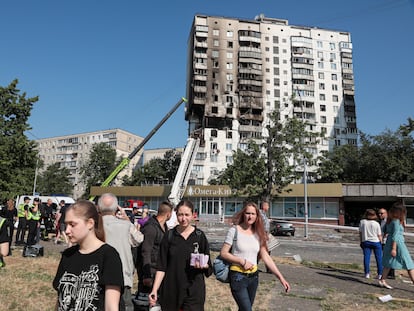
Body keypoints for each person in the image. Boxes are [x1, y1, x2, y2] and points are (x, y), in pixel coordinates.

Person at [53, 199, 124, 311]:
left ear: (90, 223)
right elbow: (59, 300)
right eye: (66, 224)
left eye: (72, 224)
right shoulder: (68, 255)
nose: (67, 230)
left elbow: (111, 307)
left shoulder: (109, 255)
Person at [219, 201, 290, 311]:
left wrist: (281, 278)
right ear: (243, 214)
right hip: (238, 277)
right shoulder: (234, 231)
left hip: (253, 278)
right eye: (248, 213)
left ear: (257, 216)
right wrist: (241, 261)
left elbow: (266, 256)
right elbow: (223, 253)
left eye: (253, 214)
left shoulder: (258, 233)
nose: (250, 216)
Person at [149, 200, 212, 311]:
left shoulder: (199, 236)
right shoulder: (169, 236)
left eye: (187, 215)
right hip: (172, 289)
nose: (183, 219)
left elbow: (209, 266)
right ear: (176, 215)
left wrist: (203, 266)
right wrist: (154, 290)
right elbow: (161, 267)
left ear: (193, 215)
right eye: (180, 215)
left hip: (193, 290)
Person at [98, 193, 144, 311]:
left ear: (98, 208)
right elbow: (139, 239)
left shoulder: (94, 226)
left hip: (98, 275)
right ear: (117, 207)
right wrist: (127, 219)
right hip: (122, 275)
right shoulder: (126, 225)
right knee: (125, 305)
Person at [135, 201, 172, 307]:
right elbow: (145, 251)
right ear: (168, 214)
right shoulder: (151, 228)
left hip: (159, 272)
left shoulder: (164, 227)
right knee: (146, 304)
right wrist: (146, 275)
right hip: (149, 273)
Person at [379, 202, 414, 289]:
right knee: (409, 263)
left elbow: (385, 231)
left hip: (389, 242)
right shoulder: (397, 221)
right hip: (398, 244)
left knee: (388, 262)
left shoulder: (389, 220)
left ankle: (382, 279)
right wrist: (394, 248)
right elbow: (396, 235)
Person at [359, 209, 383, 279]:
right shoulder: (376, 223)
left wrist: (361, 241)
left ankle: (367, 273)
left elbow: (360, 233)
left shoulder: (362, 222)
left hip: (366, 241)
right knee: (379, 258)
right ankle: (380, 274)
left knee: (366, 257)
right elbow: (379, 235)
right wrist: (381, 242)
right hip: (376, 242)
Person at [378, 208, 395, 279]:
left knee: (388, 257)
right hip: (383, 241)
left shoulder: (388, 221)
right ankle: (387, 273)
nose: (380, 215)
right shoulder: (381, 221)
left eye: (381, 213)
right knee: (385, 257)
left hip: (387, 241)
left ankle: (391, 274)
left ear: (386, 213)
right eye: (379, 213)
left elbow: (388, 231)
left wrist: (384, 236)